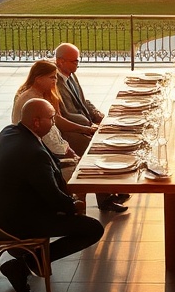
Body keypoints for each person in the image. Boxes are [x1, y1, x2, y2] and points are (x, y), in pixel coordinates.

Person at [0, 98, 105, 292]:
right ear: (36, 122)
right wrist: (73, 205)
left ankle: (25, 262)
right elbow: (53, 198)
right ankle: (25, 264)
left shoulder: (9, 131)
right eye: (51, 118)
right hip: (17, 222)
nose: (54, 122)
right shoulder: (33, 154)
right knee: (93, 228)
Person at [54, 42, 129, 213]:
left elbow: (83, 101)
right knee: (97, 149)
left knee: (109, 138)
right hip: (69, 131)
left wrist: (97, 114)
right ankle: (104, 199)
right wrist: (89, 125)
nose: (77, 65)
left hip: (83, 124)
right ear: (60, 61)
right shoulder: (55, 81)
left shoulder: (70, 75)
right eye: (74, 61)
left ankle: (111, 188)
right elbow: (64, 115)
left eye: (77, 61)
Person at [11, 59, 78, 163]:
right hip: (35, 154)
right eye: (52, 77)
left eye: (56, 77)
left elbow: (52, 127)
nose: (55, 81)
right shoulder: (34, 100)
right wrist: (68, 151)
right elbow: (48, 136)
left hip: (38, 146)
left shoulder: (39, 94)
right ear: (38, 79)